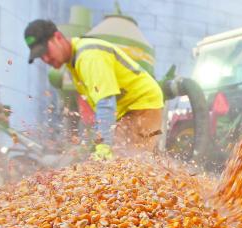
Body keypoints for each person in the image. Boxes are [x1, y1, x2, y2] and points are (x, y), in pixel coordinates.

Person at [24, 19, 164, 160]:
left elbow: (106, 103)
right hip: (127, 110)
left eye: (46, 51)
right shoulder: (73, 62)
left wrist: (104, 146)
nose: (46, 58)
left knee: (130, 161)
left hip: (143, 105)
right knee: (118, 160)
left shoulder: (88, 56)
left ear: (58, 37)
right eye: (41, 56)